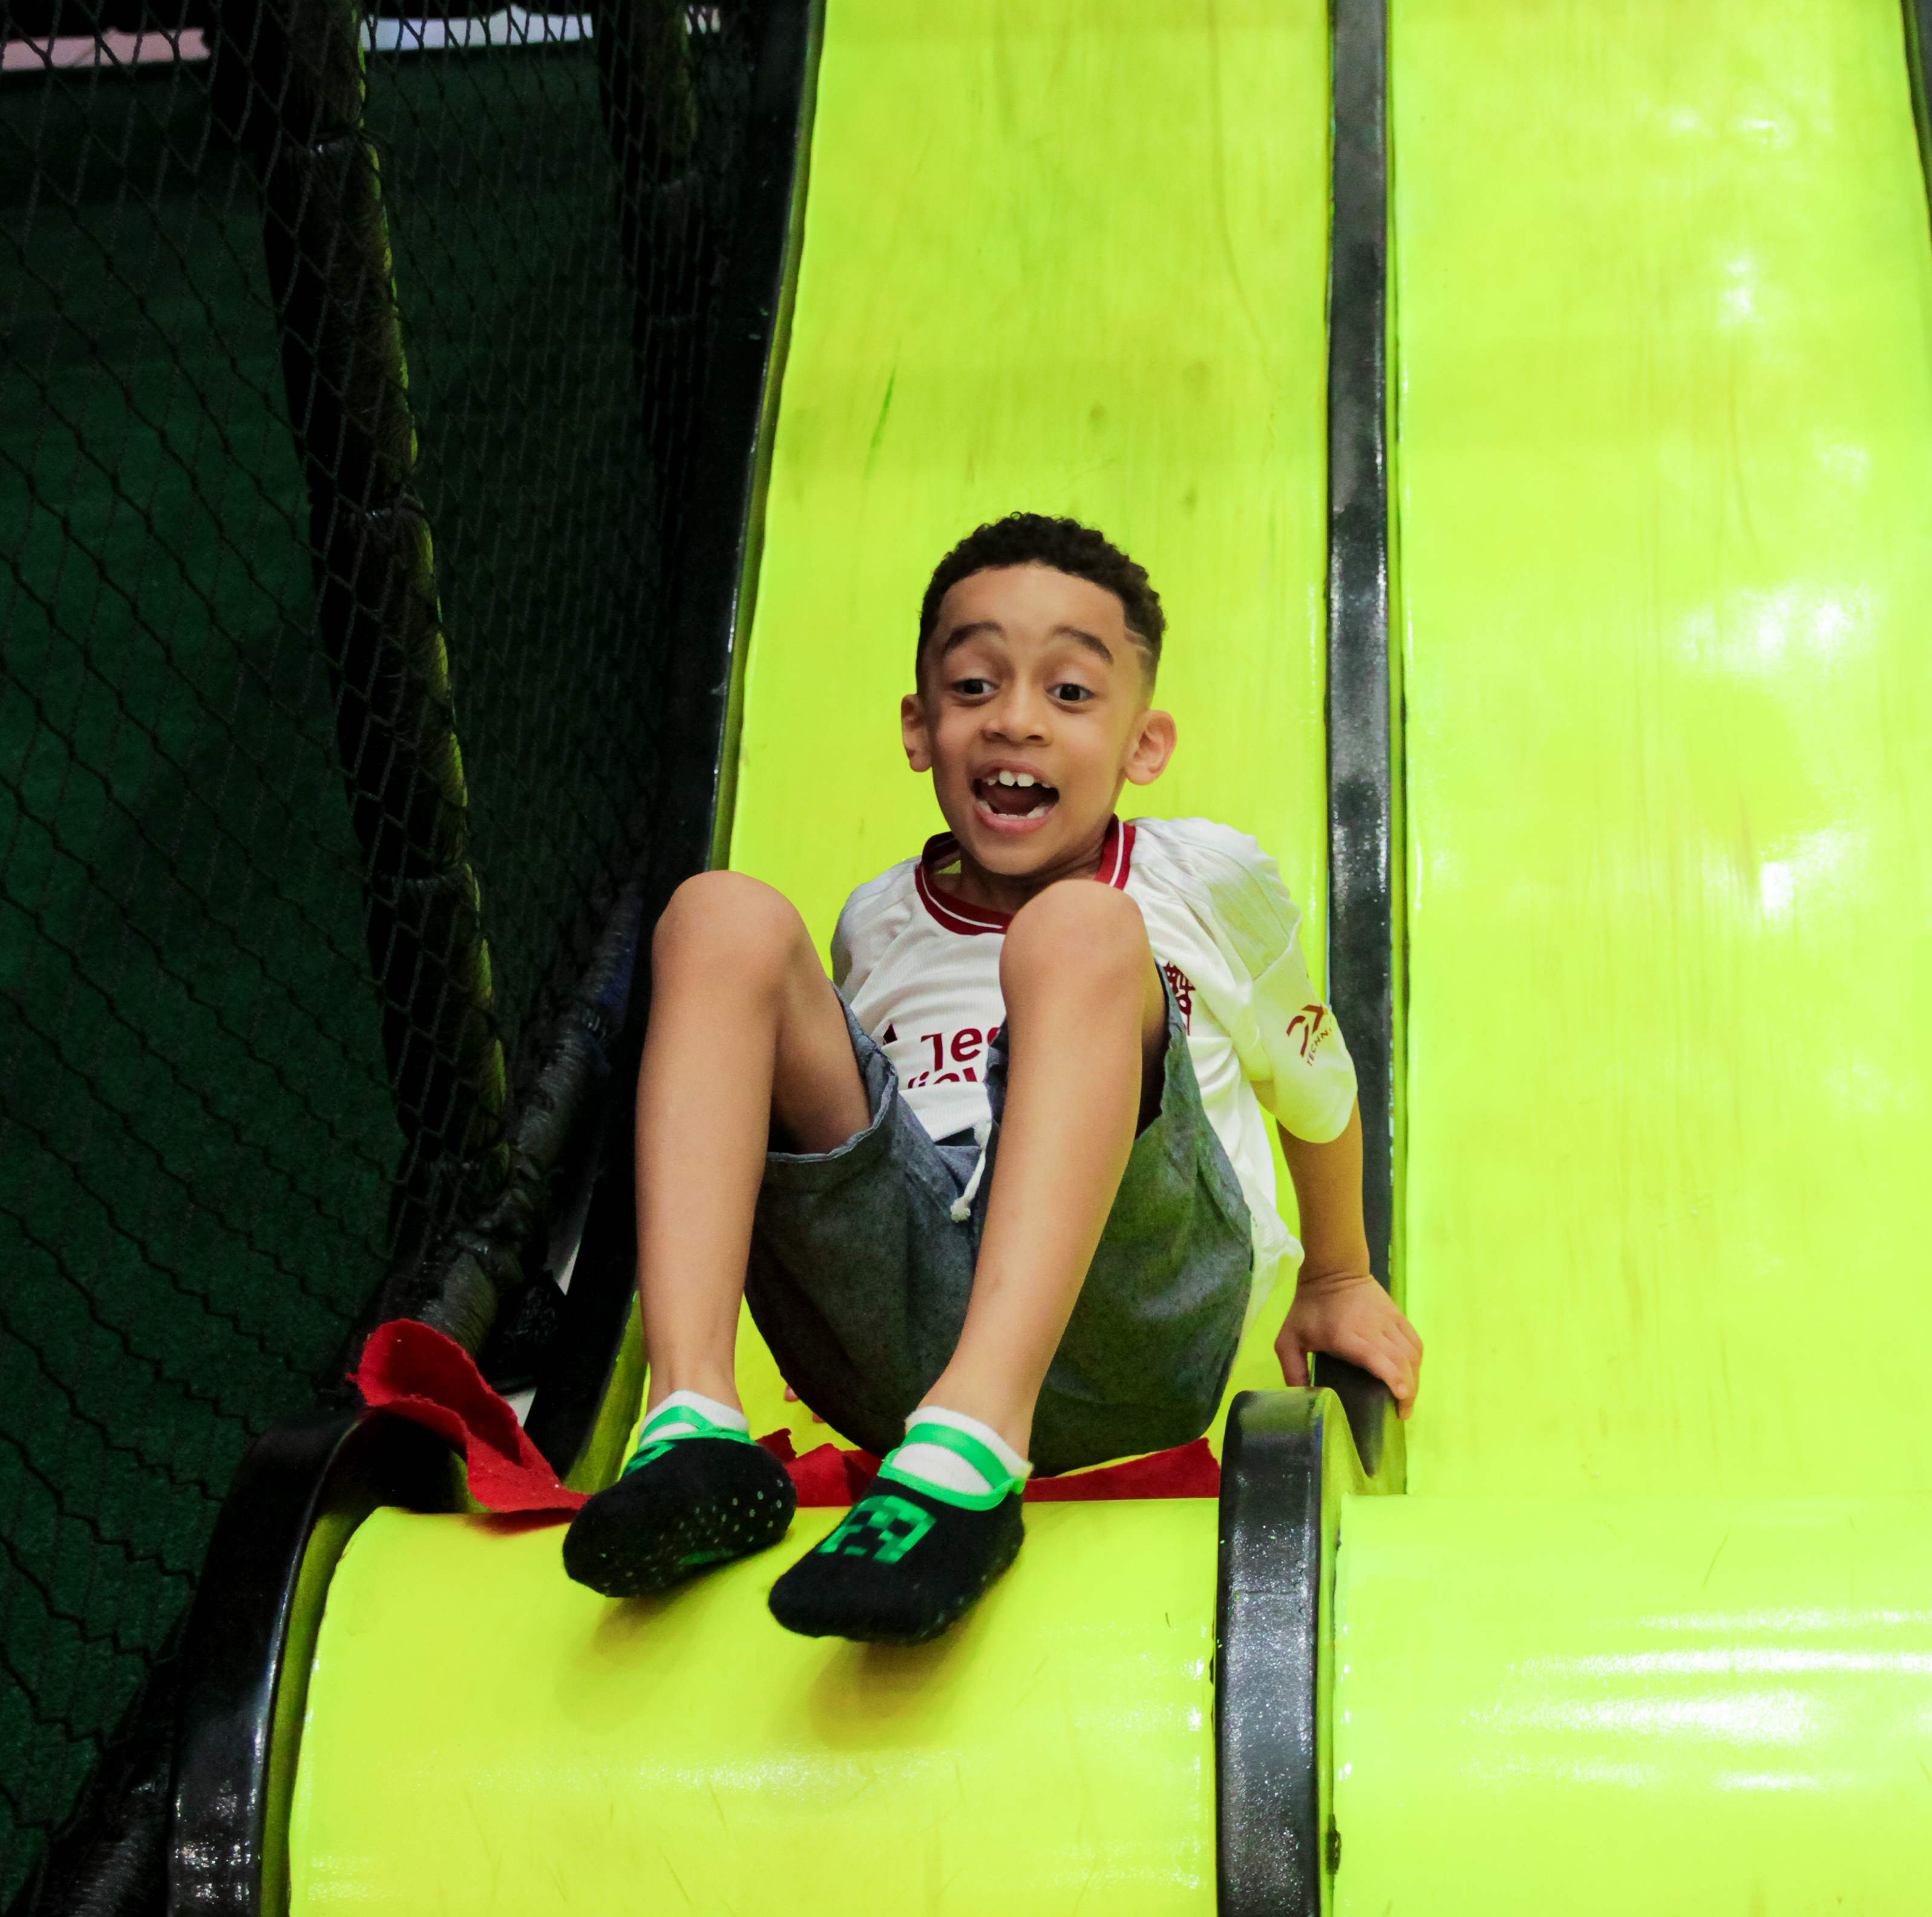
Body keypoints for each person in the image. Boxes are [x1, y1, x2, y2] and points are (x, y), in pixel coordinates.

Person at [565, 511, 1421, 1643]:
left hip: (1132, 1324)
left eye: (1071, 693)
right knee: (717, 916)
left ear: (1143, 745)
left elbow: (1316, 1081)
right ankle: (691, 1426)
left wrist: (1340, 1278)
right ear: (919, 729)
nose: (1014, 718)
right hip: (890, 1347)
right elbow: (850, 1154)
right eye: (973, 686)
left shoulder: (1203, 879)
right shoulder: (876, 920)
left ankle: (978, 1437)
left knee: (1077, 933)